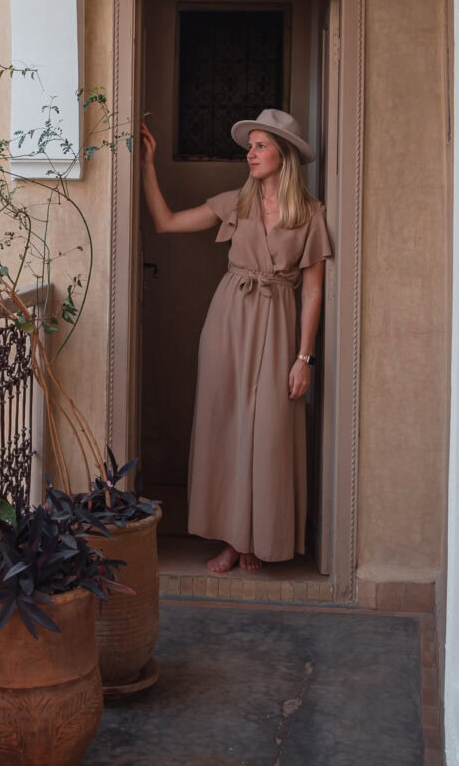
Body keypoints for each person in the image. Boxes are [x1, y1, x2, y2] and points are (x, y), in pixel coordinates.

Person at [139, 108, 332, 573]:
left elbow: (314, 290)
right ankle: (230, 540)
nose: (251, 153)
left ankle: (258, 537)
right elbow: (165, 222)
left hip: (277, 323)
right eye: (251, 145)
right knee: (224, 428)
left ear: (284, 155)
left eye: (261, 145)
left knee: (267, 431)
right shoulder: (236, 203)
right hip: (228, 321)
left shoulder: (310, 214)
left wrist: (304, 357)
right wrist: (147, 164)